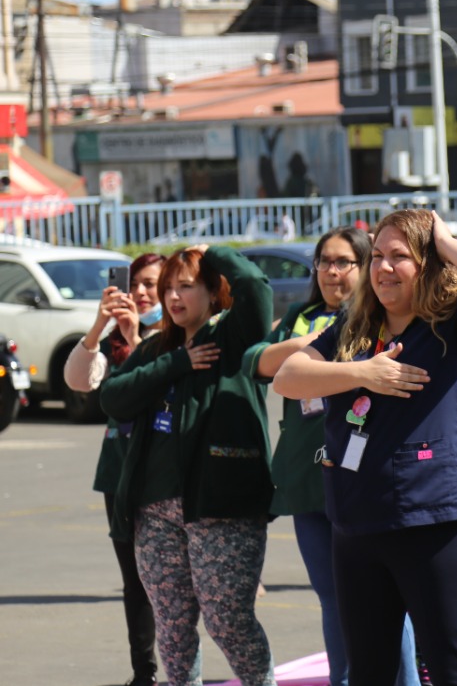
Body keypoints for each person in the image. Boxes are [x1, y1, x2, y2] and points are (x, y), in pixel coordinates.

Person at [273, 210, 457, 686]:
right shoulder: (352, 327)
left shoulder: (452, 326)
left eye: (400, 257)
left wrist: (441, 238)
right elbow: (288, 378)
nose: (383, 268)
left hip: (436, 519)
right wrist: (364, 373)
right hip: (357, 519)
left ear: (428, 263)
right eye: (378, 256)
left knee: (452, 667)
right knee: (370, 671)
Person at [244, 227, 421, 686]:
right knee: (332, 598)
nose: (331, 271)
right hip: (307, 479)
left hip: (361, 474)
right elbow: (260, 363)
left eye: (344, 261)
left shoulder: (376, 321)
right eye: (323, 261)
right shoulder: (301, 318)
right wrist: (309, 344)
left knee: (385, 600)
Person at [100, 245, 276, 686]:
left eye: (186, 286)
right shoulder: (159, 347)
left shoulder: (235, 336)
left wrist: (214, 253)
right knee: (174, 628)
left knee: (228, 620)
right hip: (155, 511)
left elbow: (254, 286)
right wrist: (176, 363)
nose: (174, 298)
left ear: (214, 291)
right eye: (168, 289)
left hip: (222, 507)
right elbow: (113, 398)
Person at [65, 252, 165, 686]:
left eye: (151, 284)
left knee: (182, 582)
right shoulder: (112, 343)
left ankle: (186, 669)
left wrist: (138, 337)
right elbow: (77, 381)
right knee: (135, 581)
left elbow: (163, 381)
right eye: (136, 283)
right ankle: (144, 673)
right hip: (121, 474)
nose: (141, 292)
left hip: (168, 474)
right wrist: (98, 328)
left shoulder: (178, 337)